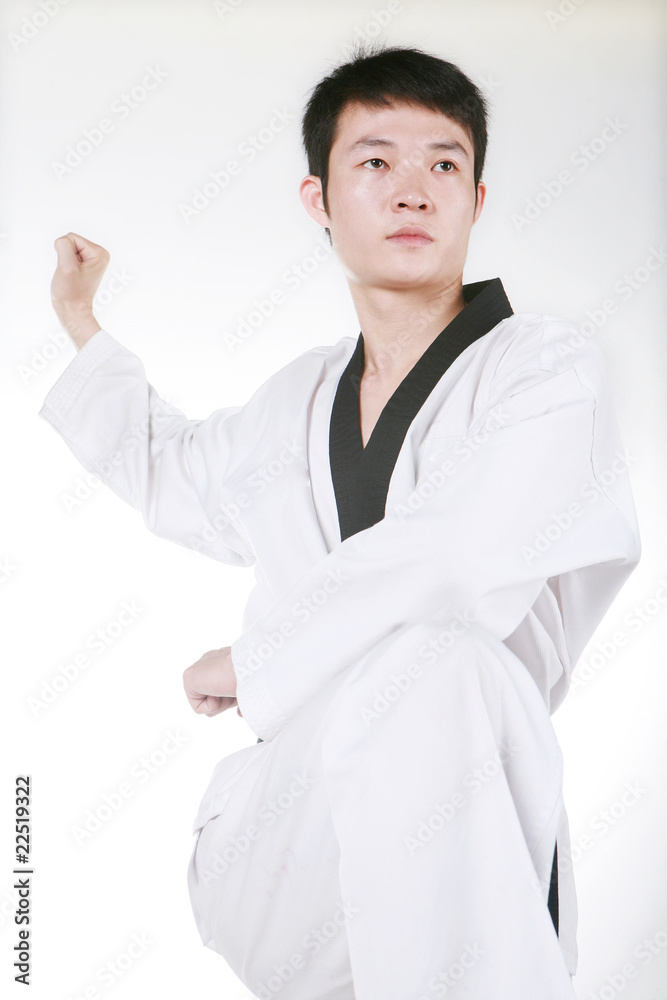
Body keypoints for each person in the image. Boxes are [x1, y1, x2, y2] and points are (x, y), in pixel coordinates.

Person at [40, 43, 641, 1000]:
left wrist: (252, 662)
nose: (413, 191)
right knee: (429, 664)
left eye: (443, 164)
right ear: (318, 199)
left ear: (476, 200)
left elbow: (455, 561)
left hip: (462, 830)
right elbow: (172, 471)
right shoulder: (297, 399)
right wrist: (81, 323)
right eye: (375, 162)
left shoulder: (543, 370)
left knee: (442, 663)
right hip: (291, 837)